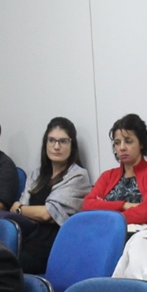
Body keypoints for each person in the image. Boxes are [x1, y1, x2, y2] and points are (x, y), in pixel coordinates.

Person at [9, 117, 92, 274]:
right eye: (51, 140)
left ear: (72, 145)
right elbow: (24, 211)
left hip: (55, 245)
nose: (56, 146)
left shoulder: (78, 176)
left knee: (8, 268)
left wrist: (20, 209)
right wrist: (24, 210)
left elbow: (48, 214)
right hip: (28, 238)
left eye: (63, 141)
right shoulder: (37, 175)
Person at [84, 113, 147, 225]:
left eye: (128, 141)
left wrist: (107, 216)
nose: (122, 147)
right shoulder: (107, 176)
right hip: (104, 232)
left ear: (141, 143)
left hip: (136, 236)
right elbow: (87, 205)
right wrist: (124, 205)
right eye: (117, 143)